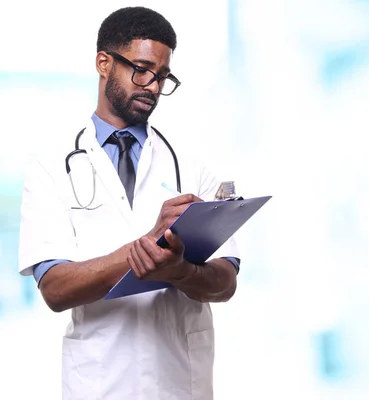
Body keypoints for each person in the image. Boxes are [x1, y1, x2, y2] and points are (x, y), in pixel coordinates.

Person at [18, 6, 240, 399]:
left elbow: (225, 283)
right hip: (101, 383)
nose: (153, 86)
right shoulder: (51, 167)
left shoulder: (193, 166)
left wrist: (180, 271)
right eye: (141, 70)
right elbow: (55, 289)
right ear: (104, 63)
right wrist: (144, 249)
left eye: (162, 77)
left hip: (181, 381)